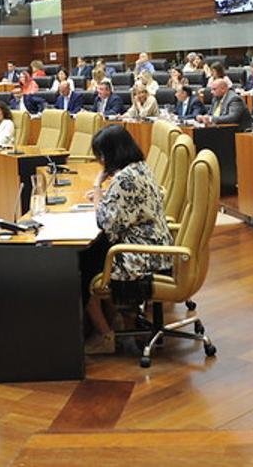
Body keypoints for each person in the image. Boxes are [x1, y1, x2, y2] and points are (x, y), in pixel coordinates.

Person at [82, 125, 173, 355]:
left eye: (101, 155)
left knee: (83, 265)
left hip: (142, 256)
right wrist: (105, 195)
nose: (101, 161)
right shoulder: (140, 168)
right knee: (95, 253)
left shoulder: (125, 179)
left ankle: (105, 335)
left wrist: (97, 187)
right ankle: (120, 319)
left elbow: (105, 224)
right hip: (157, 248)